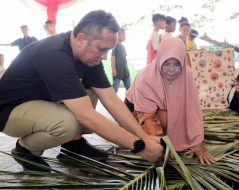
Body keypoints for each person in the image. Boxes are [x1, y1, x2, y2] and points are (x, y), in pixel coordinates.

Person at [0, 10, 164, 172]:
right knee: (68, 122)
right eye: (102, 49)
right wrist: (139, 146)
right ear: (81, 38)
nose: (105, 56)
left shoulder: (89, 57)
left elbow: (112, 100)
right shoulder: (54, 53)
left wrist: (144, 137)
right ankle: (26, 149)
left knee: (91, 92)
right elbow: (86, 116)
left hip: (39, 105)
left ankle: (73, 144)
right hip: (9, 111)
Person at [125, 37, 215, 165]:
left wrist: (198, 141)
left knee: (171, 114)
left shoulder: (186, 73)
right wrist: (161, 147)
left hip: (164, 110)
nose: (171, 69)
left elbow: (192, 109)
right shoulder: (145, 77)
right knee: (164, 117)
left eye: (176, 64)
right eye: (167, 64)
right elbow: (147, 116)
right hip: (136, 111)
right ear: (160, 58)